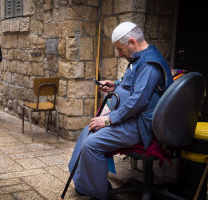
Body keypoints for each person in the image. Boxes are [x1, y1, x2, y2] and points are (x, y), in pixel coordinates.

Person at [68, 22, 173, 200]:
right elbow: (133, 83)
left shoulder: (149, 64)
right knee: (87, 131)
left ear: (132, 42)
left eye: (120, 49)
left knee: (92, 145)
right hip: (131, 118)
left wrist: (109, 120)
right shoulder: (139, 58)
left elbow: (139, 100)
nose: (119, 54)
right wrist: (115, 85)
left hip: (141, 124)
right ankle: (84, 184)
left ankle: (99, 193)